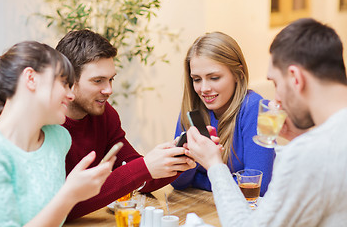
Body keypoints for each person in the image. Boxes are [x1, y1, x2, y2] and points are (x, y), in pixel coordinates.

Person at [184, 18, 347, 226]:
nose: (275, 99)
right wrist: (300, 138)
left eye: (276, 83)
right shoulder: (322, 144)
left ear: (296, 78)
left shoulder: (307, 154)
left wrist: (215, 165)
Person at [55, 29, 196, 220]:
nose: (109, 90)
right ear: (69, 80)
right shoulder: (47, 126)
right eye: (98, 81)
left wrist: (176, 158)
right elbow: (61, 206)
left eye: (111, 79)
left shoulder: (105, 115)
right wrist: (144, 167)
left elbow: (138, 177)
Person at [0, 41, 115, 226]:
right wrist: (69, 195)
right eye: (64, 83)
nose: (70, 95)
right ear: (31, 78)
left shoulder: (58, 139)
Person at [171, 32, 275, 196]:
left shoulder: (260, 110)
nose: (204, 88)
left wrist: (200, 179)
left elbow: (255, 187)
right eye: (197, 79)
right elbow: (178, 182)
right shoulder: (192, 109)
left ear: (238, 74)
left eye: (214, 77)